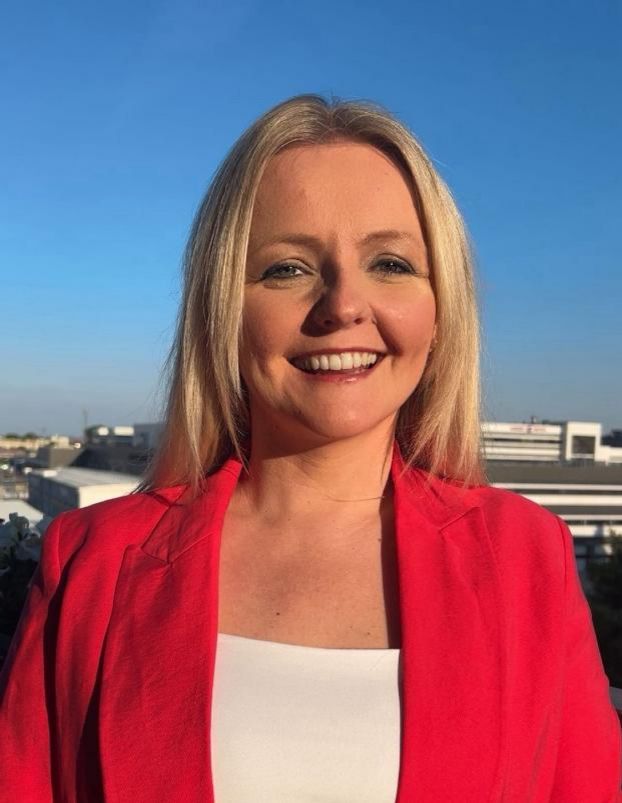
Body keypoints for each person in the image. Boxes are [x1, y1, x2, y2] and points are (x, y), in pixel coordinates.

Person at [1, 95, 620, 803]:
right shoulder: (93, 562)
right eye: (287, 269)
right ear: (222, 311)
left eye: (390, 262)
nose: (344, 305)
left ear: (442, 309)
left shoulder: (527, 558)